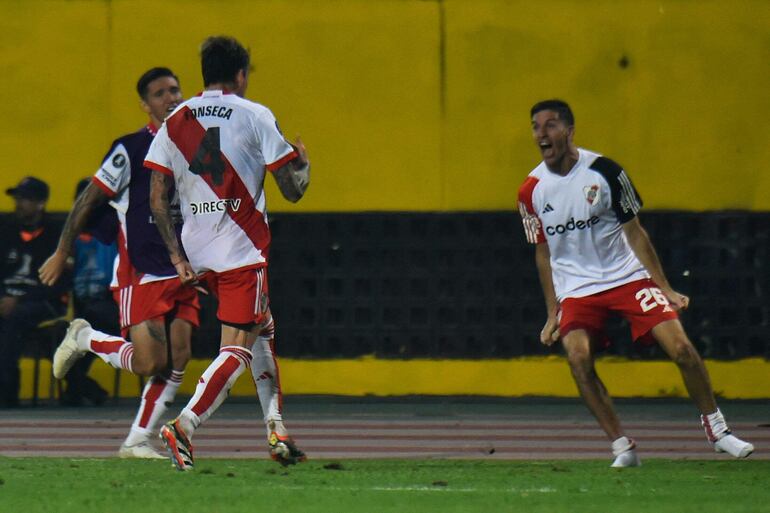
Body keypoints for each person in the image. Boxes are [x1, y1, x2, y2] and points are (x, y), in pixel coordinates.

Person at [517, 99, 754, 467]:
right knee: (578, 358)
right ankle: (622, 446)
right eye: (536, 127)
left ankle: (718, 430)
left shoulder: (606, 172)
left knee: (682, 349)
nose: (541, 134)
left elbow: (635, 232)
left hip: (626, 277)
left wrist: (665, 288)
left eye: (550, 126)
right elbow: (543, 254)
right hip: (577, 290)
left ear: (569, 130)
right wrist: (553, 312)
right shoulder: (530, 191)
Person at [145, 36, 310, 471]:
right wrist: (304, 168)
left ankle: (276, 426)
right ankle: (184, 425)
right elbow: (291, 190)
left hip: (198, 253)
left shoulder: (175, 119)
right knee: (237, 345)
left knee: (263, 327)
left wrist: (178, 258)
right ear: (241, 74)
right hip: (241, 249)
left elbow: (157, 197)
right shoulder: (256, 115)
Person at [39, 68, 199, 458]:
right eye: (159, 93)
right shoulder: (129, 149)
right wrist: (62, 250)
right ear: (145, 105)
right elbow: (88, 200)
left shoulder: (199, 148)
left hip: (183, 268)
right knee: (148, 362)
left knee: (179, 357)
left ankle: (137, 440)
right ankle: (85, 338)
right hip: (140, 271)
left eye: (174, 90)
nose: (170, 98)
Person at [0, 177, 69, 407]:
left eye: (25, 199)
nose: (19, 204)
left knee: (13, 319)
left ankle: (7, 395)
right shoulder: (6, 231)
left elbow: (58, 284)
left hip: (43, 301)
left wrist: (19, 299)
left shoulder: (55, 235)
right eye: (17, 199)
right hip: (7, 299)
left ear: (40, 203)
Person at [60, 178, 116, 406]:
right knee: (77, 332)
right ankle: (84, 388)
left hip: (113, 306)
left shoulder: (115, 231)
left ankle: (78, 388)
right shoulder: (70, 237)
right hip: (83, 307)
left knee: (82, 330)